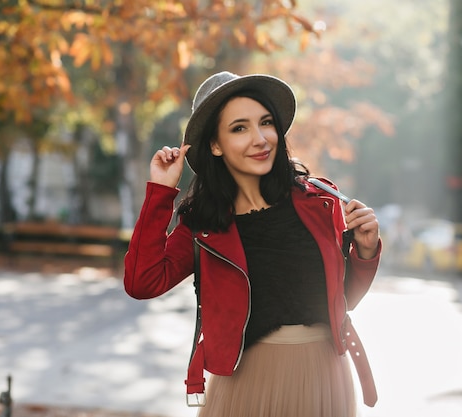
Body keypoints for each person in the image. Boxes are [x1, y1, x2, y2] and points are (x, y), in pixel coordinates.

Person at [124, 71, 382, 417]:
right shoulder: (203, 224)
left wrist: (364, 251)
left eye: (265, 123)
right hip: (244, 385)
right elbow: (142, 282)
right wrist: (160, 193)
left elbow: (343, 300)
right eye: (239, 128)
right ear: (215, 145)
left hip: (324, 379)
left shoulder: (321, 202)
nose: (260, 139)